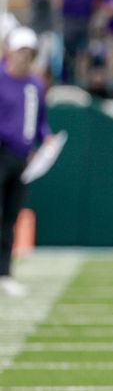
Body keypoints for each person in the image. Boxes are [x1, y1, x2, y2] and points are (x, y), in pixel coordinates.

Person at [0, 28, 48, 297]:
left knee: (10, 217)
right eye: (21, 51)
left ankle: (4, 272)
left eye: (30, 53)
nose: (25, 57)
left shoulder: (35, 84)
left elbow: (40, 120)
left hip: (21, 158)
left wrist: (46, 138)